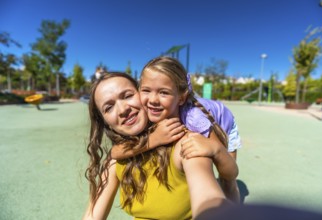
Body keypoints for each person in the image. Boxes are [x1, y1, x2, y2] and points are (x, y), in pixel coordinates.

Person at [83, 72, 233, 220]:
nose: (123, 110)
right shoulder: (117, 159)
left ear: (143, 94)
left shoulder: (185, 143)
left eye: (128, 96)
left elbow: (208, 198)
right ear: (104, 121)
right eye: (108, 107)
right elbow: (92, 215)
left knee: (229, 185)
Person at [111, 56, 241, 203]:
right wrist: (153, 139)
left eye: (164, 92)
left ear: (181, 98)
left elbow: (233, 171)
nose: (153, 99)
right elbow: (115, 152)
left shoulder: (195, 120)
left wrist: (215, 149)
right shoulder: (147, 110)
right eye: (146, 90)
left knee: (227, 181)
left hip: (224, 122)